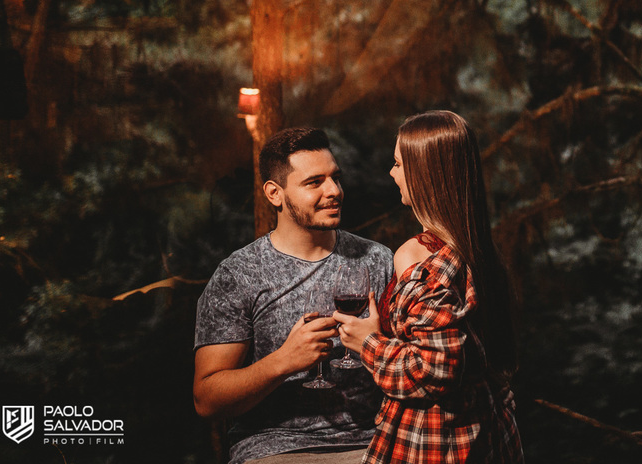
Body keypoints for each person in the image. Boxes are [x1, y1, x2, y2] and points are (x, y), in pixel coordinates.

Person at [193, 127, 395, 464]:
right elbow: (207, 400)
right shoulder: (239, 274)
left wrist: (378, 345)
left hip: (373, 445)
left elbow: (415, 360)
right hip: (277, 449)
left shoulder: (378, 260)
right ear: (275, 194)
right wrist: (283, 361)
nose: (334, 191)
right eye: (314, 182)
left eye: (335, 178)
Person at [335, 110, 523, 463]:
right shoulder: (479, 251)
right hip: (490, 433)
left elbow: (434, 369)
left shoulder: (418, 255)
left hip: (436, 441)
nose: (391, 173)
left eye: (397, 164)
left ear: (424, 174)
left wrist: (368, 344)